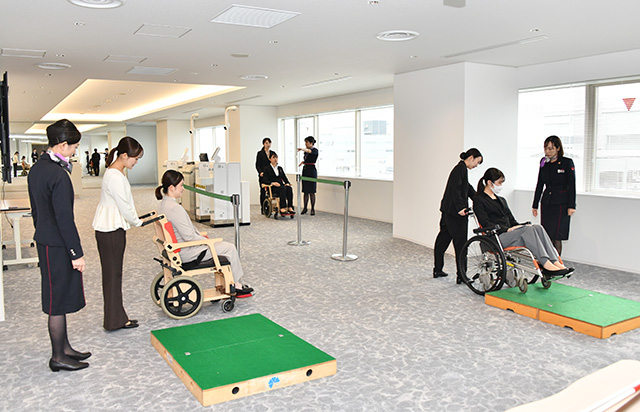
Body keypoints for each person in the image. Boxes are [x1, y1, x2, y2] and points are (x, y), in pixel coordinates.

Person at [27, 119, 90, 372]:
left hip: (45, 240)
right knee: (56, 300)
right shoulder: (58, 175)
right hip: (57, 244)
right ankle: (58, 357)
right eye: (73, 147)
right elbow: (65, 219)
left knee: (59, 296)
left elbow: (36, 210)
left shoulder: (37, 169)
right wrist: (76, 253)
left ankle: (65, 348)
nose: (74, 151)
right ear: (62, 145)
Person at [156, 170, 253, 296]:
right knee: (229, 248)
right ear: (171, 187)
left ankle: (232, 282)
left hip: (177, 249)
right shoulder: (175, 208)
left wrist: (201, 238)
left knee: (220, 245)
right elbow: (189, 236)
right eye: (181, 185)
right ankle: (236, 284)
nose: (183, 189)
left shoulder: (163, 205)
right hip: (187, 252)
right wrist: (206, 241)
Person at [474, 167, 573, 278]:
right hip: (496, 237)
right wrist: (507, 229)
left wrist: (521, 225)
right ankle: (546, 263)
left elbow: (512, 220)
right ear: (489, 182)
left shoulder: (501, 200)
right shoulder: (479, 200)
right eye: (499, 183)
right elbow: (485, 223)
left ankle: (555, 261)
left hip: (510, 235)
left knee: (537, 227)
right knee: (528, 230)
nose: (501, 185)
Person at [92, 137, 144, 330]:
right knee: (113, 276)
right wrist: (137, 221)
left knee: (113, 275)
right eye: (135, 158)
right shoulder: (114, 176)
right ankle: (114, 321)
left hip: (110, 228)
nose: (136, 162)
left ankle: (116, 318)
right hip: (111, 230)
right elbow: (124, 205)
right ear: (123, 155)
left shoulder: (115, 172)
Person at [433, 148, 483, 282]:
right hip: (455, 214)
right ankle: (462, 276)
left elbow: (466, 188)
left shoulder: (460, 169)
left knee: (442, 241)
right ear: (471, 158)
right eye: (477, 162)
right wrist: (461, 207)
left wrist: (478, 198)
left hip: (448, 211)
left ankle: (437, 269)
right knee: (461, 245)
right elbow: (455, 190)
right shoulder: (460, 169)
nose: (476, 165)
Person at [532, 135, 576, 256]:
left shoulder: (566, 163)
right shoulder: (544, 163)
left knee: (557, 236)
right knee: (547, 235)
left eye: (551, 148)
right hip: (547, 202)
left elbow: (572, 185)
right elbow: (540, 184)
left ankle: (557, 262)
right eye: (546, 148)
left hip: (561, 204)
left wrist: (572, 205)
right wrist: (535, 204)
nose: (548, 151)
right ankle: (548, 261)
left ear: (558, 148)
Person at [298, 136, 318, 215]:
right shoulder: (306, 151)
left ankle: (312, 208)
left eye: (307, 142)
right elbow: (308, 159)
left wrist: (302, 149)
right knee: (305, 191)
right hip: (305, 170)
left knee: (312, 192)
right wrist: (303, 162)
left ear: (311, 143)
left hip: (312, 171)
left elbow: (310, 152)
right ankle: (305, 208)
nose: (305, 144)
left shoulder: (315, 150)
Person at [255, 137, 272, 205]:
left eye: (269, 143)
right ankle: (263, 206)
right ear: (263, 144)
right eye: (266, 143)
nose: (268, 144)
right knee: (263, 191)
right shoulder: (260, 153)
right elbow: (257, 165)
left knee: (271, 191)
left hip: (270, 175)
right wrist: (260, 172)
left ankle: (270, 205)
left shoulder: (272, 153)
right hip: (263, 175)